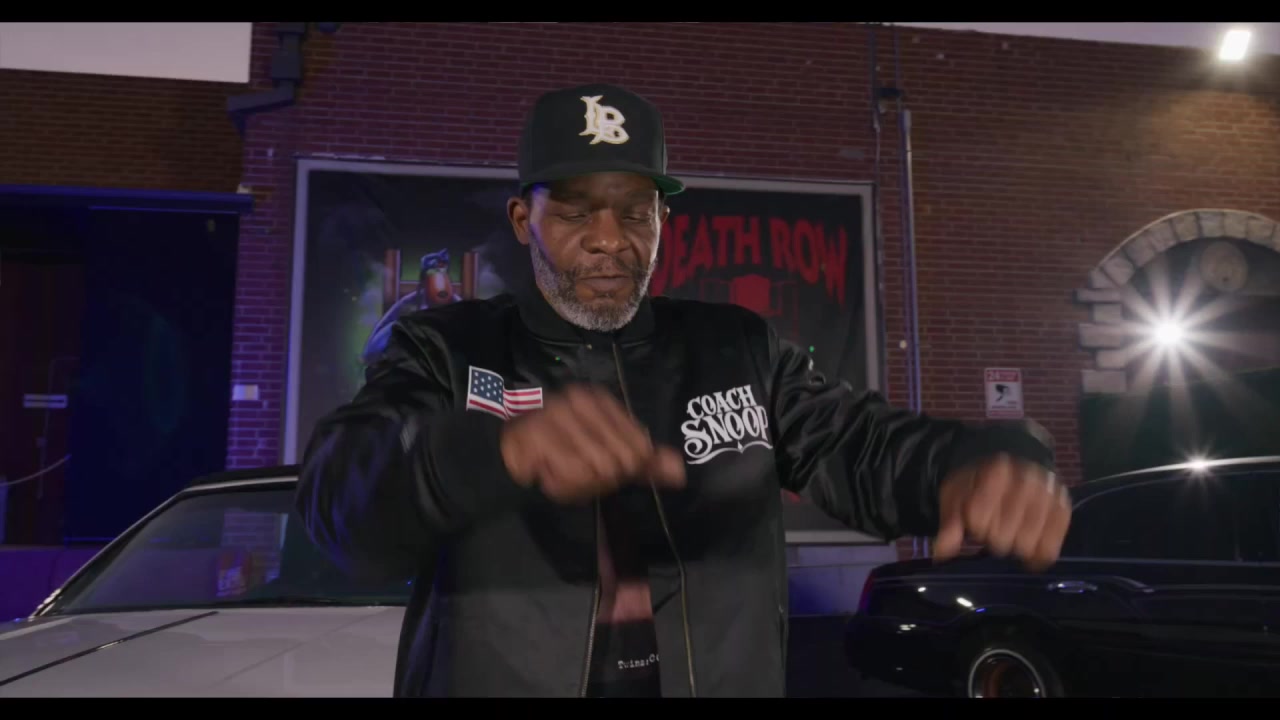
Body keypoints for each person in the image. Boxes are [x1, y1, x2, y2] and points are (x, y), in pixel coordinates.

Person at [296, 83, 1071, 698]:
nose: (609, 238)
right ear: (523, 219)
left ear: (663, 218)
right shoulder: (444, 347)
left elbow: (859, 444)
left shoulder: (735, 348)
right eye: (576, 211)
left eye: (635, 211)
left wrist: (973, 461)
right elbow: (339, 507)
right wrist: (495, 453)